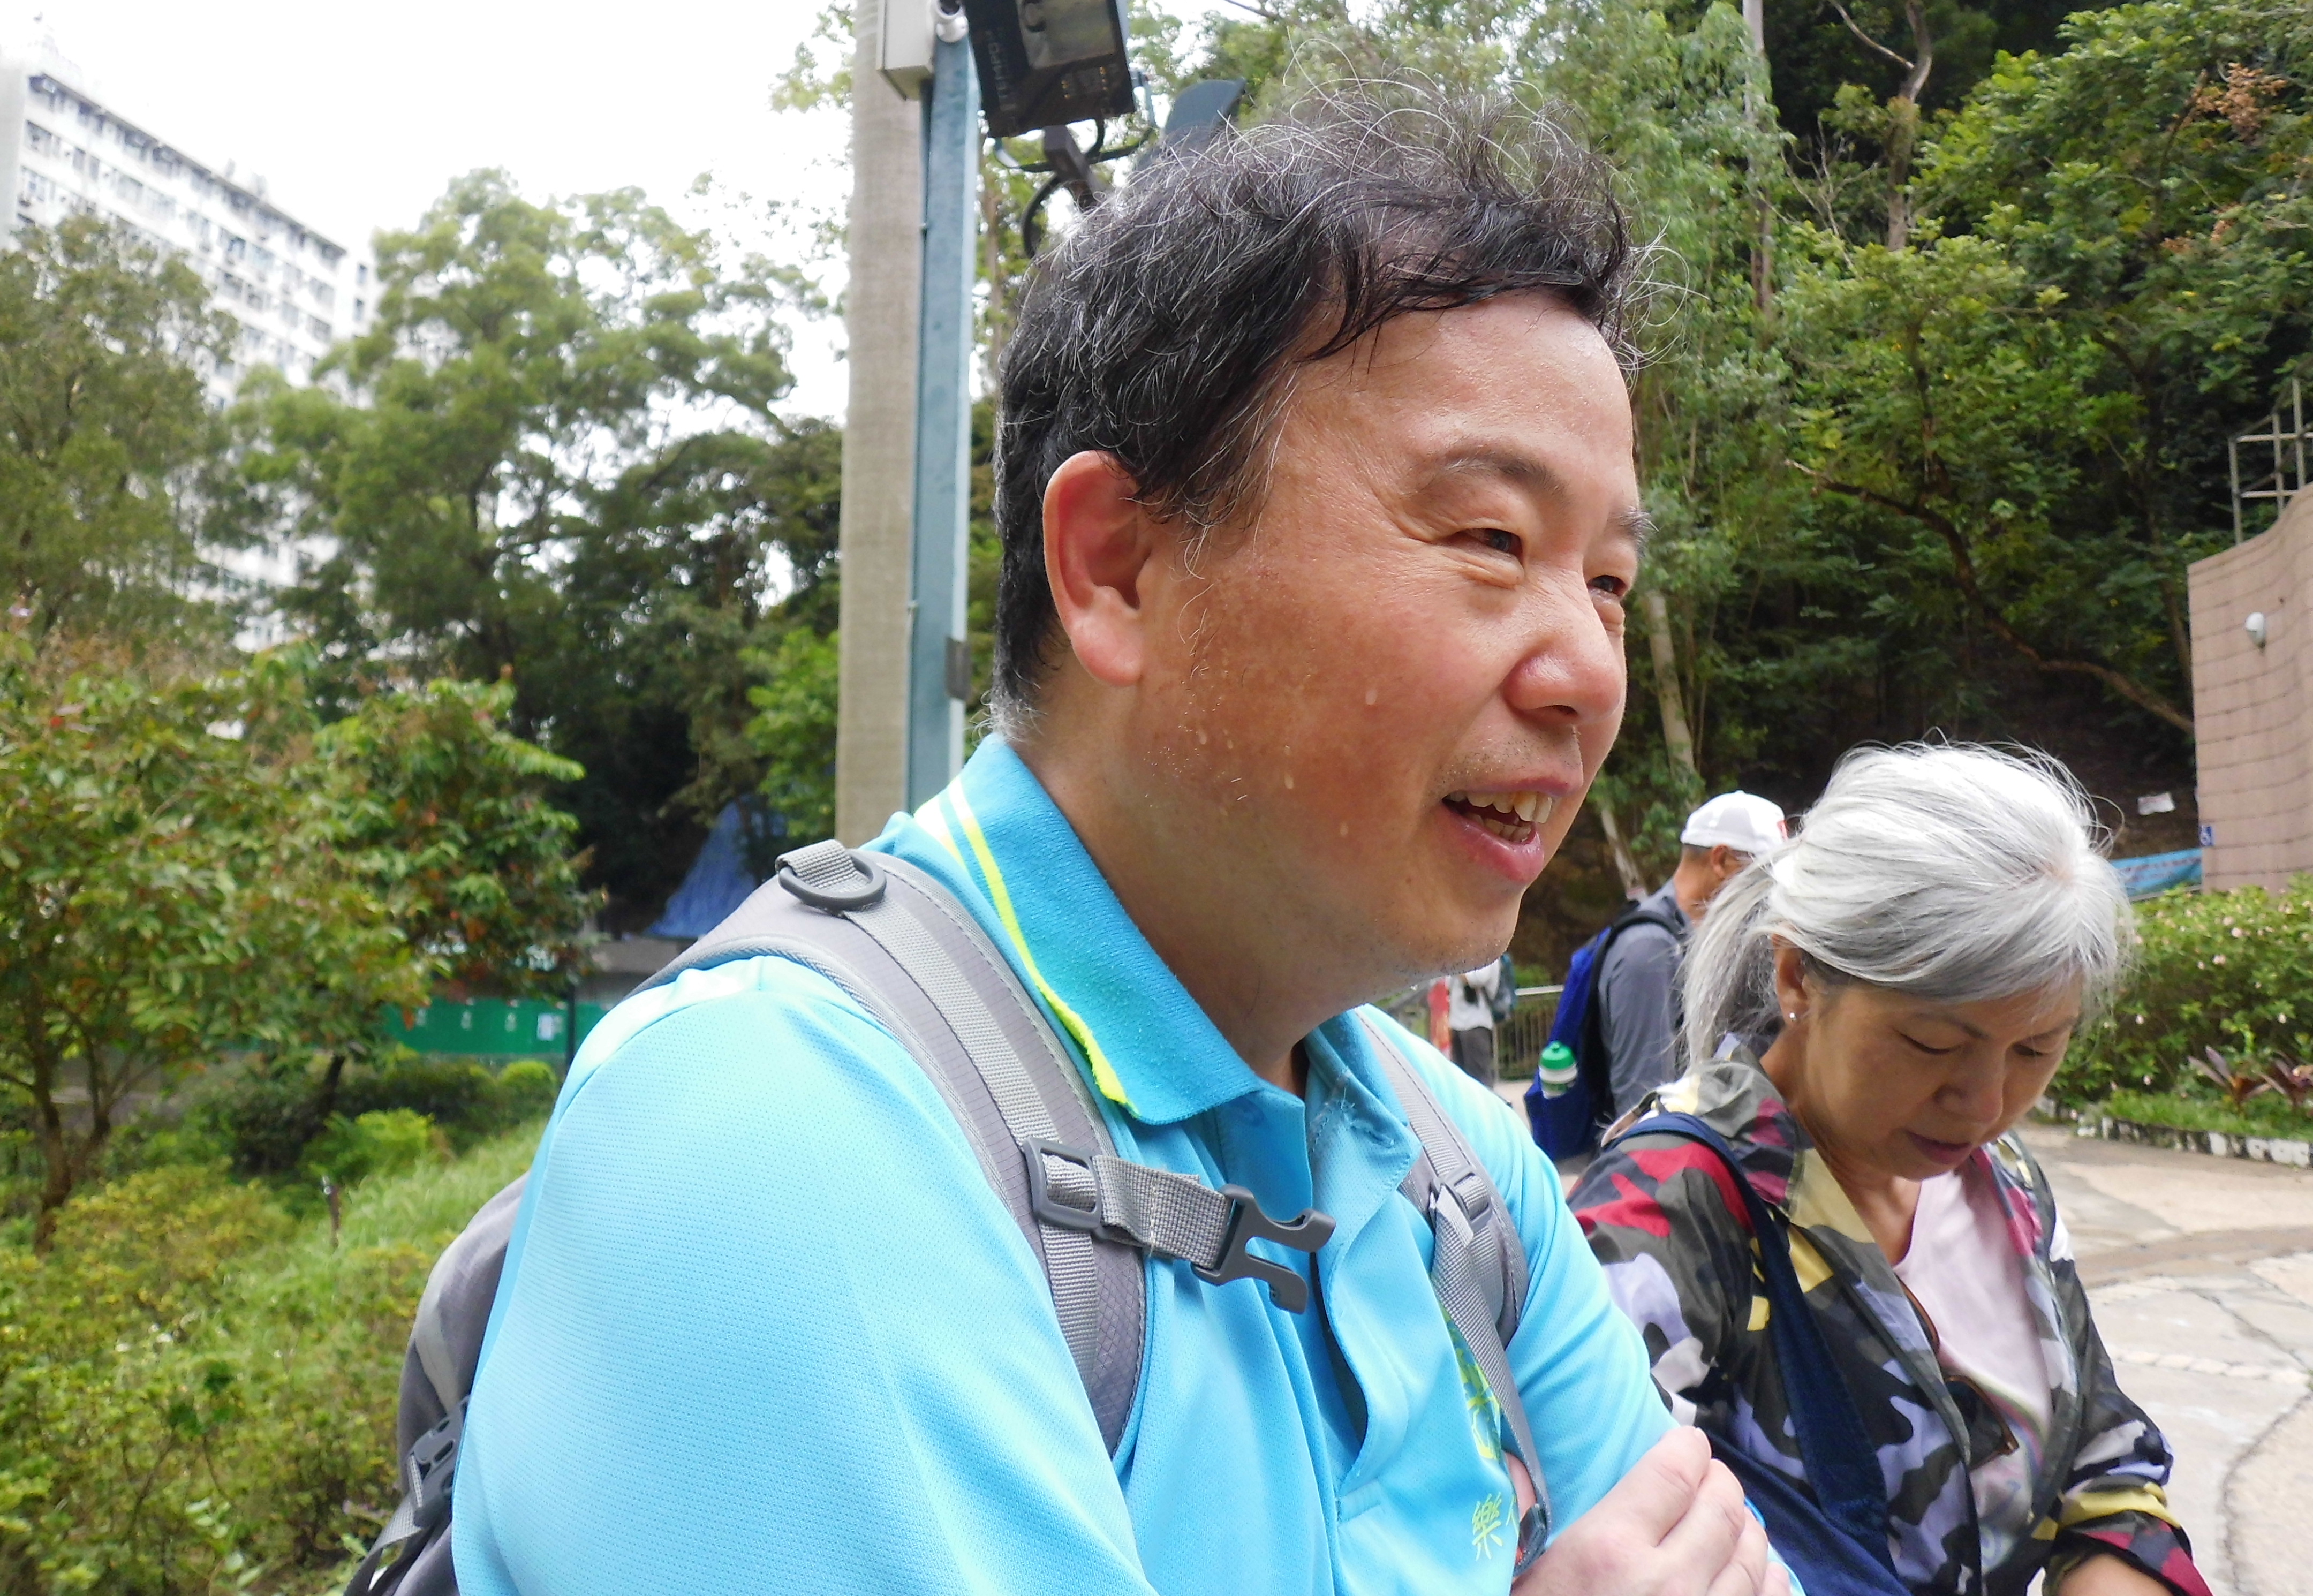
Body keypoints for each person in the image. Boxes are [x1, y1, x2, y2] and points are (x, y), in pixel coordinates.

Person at [451, 90, 1785, 1596]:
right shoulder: (780, 1131)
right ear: (1119, 566)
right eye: (1492, 540)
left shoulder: (1456, 1169)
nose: (1590, 672)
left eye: (1607, 583)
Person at [1569, 745, 2210, 1596]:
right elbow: (1611, 1542)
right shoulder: (1664, 1212)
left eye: (2035, 1049)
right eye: (1932, 1043)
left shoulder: (2005, 1184)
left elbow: (2105, 1460)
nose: (1984, 1104)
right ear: (1798, 974)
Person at [1593, 791, 1785, 1121]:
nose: (1771, 894)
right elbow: (1641, 1106)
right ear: (1722, 861)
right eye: (1762, 877)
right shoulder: (1649, 950)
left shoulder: (1697, 941)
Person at [1447, 956, 1506, 1085]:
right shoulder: (1461, 957)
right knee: (1459, 1076)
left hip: (1476, 1023)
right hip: (1456, 1023)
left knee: (1479, 1076)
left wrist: (1453, 964)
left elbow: (1476, 979)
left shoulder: (1488, 955)